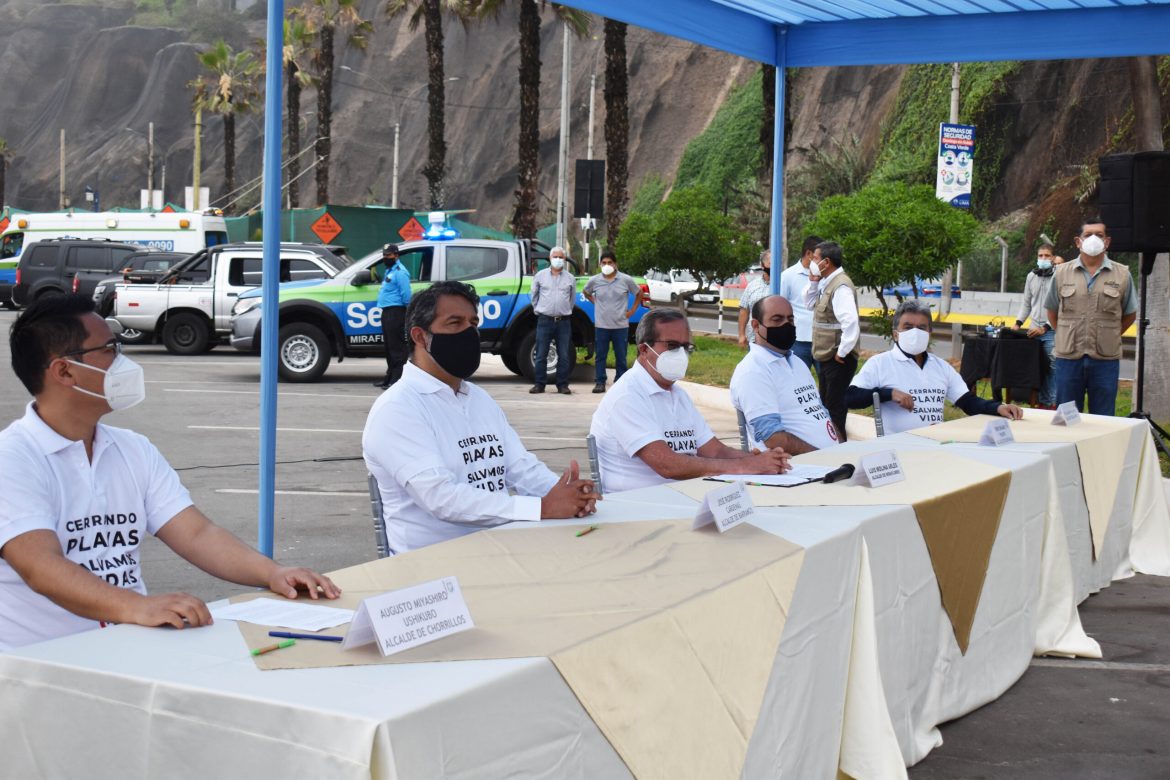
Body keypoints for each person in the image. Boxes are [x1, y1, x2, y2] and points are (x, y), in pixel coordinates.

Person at [0, 295, 340, 652]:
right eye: (110, 349)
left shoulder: (132, 449)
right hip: (40, 667)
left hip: (128, 647)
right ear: (64, 371)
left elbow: (196, 534)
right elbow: (40, 566)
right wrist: (138, 606)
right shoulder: (13, 459)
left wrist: (272, 573)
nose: (122, 360)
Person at [363, 281, 596, 554]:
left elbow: (519, 467)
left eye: (473, 323)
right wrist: (542, 507)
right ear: (420, 336)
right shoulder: (397, 409)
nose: (469, 333)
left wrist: (565, 493)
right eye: (455, 323)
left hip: (499, 549)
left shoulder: (478, 399)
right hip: (431, 569)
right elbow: (441, 498)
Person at [590, 308, 791, 493]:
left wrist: (765, 460)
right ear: (644, 350)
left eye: (686, 347)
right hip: (638, 506)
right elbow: (667, 465)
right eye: (672, 346)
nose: (681, 354)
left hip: (682, 497)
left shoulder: (677, 394)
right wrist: (745, 466)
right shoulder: (627, 396)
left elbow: (714, 451)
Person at [847, 299, 1023, 434]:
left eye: (922, 328)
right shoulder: (880, 364)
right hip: (898, 448)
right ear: (896, 334)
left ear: (929, 334)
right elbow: (850, 398)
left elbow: (968, 402)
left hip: (935, 444)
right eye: (907, 327)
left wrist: (997, 407)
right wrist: (888, 393)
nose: (915, 332)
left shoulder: (941, 367)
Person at [1044, 219, 1136, 416]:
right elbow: (1052, 310)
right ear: (1078, 241)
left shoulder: (1122, 274)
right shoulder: (1061, 273)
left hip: (1105, 359)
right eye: (1088, 235)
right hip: (1068, 357)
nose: (1093, 239)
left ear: (1107, 242)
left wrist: (1109, 334)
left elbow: (1129, 313)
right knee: (1067, 417)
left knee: (1103, 417)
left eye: (1099, 235)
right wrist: (1067, 333)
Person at [730, 295, 838, 454]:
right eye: (777, 319)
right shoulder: (753, 371)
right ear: (756, 325)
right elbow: (773, 439)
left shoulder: (797, 362)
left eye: (790, 319)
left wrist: (842, 450)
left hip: (830, 462)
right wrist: (823, 457)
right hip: (798, 468)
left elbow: (821, 414)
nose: (786, 325)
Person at [804, 241, 860, 441]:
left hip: (837, 358)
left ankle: (838, 447)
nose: (812, 261)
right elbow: (809, 304)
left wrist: (842, 352)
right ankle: (830, 443)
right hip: (827, 355)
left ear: (826, 262)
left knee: (834, 407)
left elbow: (851, 322)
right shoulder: (826, 282)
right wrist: (813, 282)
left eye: (815, 258)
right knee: (827, 405)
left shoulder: (841, 286)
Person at [583, 249, 644, 393]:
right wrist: (595, 302)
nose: (607, 265)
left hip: (620, 326)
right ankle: (600, 382)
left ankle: (620, 383)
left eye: (610, 262)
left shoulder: (625, 280)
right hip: (601, 325)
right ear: (600, 264)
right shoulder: (595, 280)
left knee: (621, 356)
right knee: (600, 356)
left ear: (615, 264)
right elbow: (586, 291)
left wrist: (632, 311)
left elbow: (639, 293)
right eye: (604, 263)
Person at [1015, 243, 1059, 407]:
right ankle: (1039, 401)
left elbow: (1059, 305)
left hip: (1051, 330)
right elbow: (1026, 303)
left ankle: (1052, 402)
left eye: (1047, 256)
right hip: (1033, 330)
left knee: (1052, 366)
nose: (1043, 259)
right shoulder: (1031, 276)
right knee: (1035, 369)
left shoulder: (1059, 276)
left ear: (1053, 258)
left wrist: (1045, 328)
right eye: (1040, 256)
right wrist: (1018, 323)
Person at [530, 246, 576, 394]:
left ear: (564, 259)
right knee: (541, 354)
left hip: (563, 322)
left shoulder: (570, 278)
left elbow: (571, 300)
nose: (558, 259)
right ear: (550, 258)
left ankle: (562, 385)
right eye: (555, 257)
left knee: (564, 355)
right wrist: (540, 309)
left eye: (561, 257)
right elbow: (534, 296)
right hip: (545, 320)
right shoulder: (540, 276)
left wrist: (564, 310)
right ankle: (539, 384)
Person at [778, 235, 821, 368]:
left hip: (822, 339)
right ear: (808, 254)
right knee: (798, 380)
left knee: (827, 383)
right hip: (799, 340)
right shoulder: (788, 276)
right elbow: (780, 306)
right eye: (819, 256)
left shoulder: (824, 277)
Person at [374, 243, 412, 389]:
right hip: (387, 312)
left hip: (396, 312)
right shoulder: (390, 270)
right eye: (384, 255)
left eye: (389, 255)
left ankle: (397, 380)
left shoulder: (400, 272)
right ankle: (389, 377)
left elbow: (406, 295)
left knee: (397, 348)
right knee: (389, 347)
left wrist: (406, 312)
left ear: (396, 255)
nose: (386, 257)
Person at [737, 249, 772, 349]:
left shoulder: (783, 284)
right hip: (754, 339)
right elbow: (744, 310)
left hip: (777, 340)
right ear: (762, 265)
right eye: (770, 263)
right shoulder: (752, 286)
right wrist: (742, 335)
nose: (774, 266)